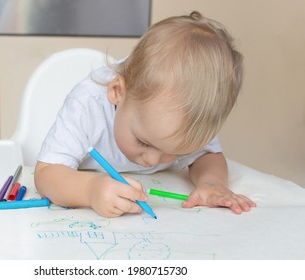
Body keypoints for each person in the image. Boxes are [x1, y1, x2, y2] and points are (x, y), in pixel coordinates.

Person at [34, 11, 256, 218]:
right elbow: (47, 174)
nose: (150, 161)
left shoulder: (190, 116)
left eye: (176, 152)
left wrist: (211, 184)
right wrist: (90, 189)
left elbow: (208, 156)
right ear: (117, 92)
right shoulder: (87, 105)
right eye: (143, 142)